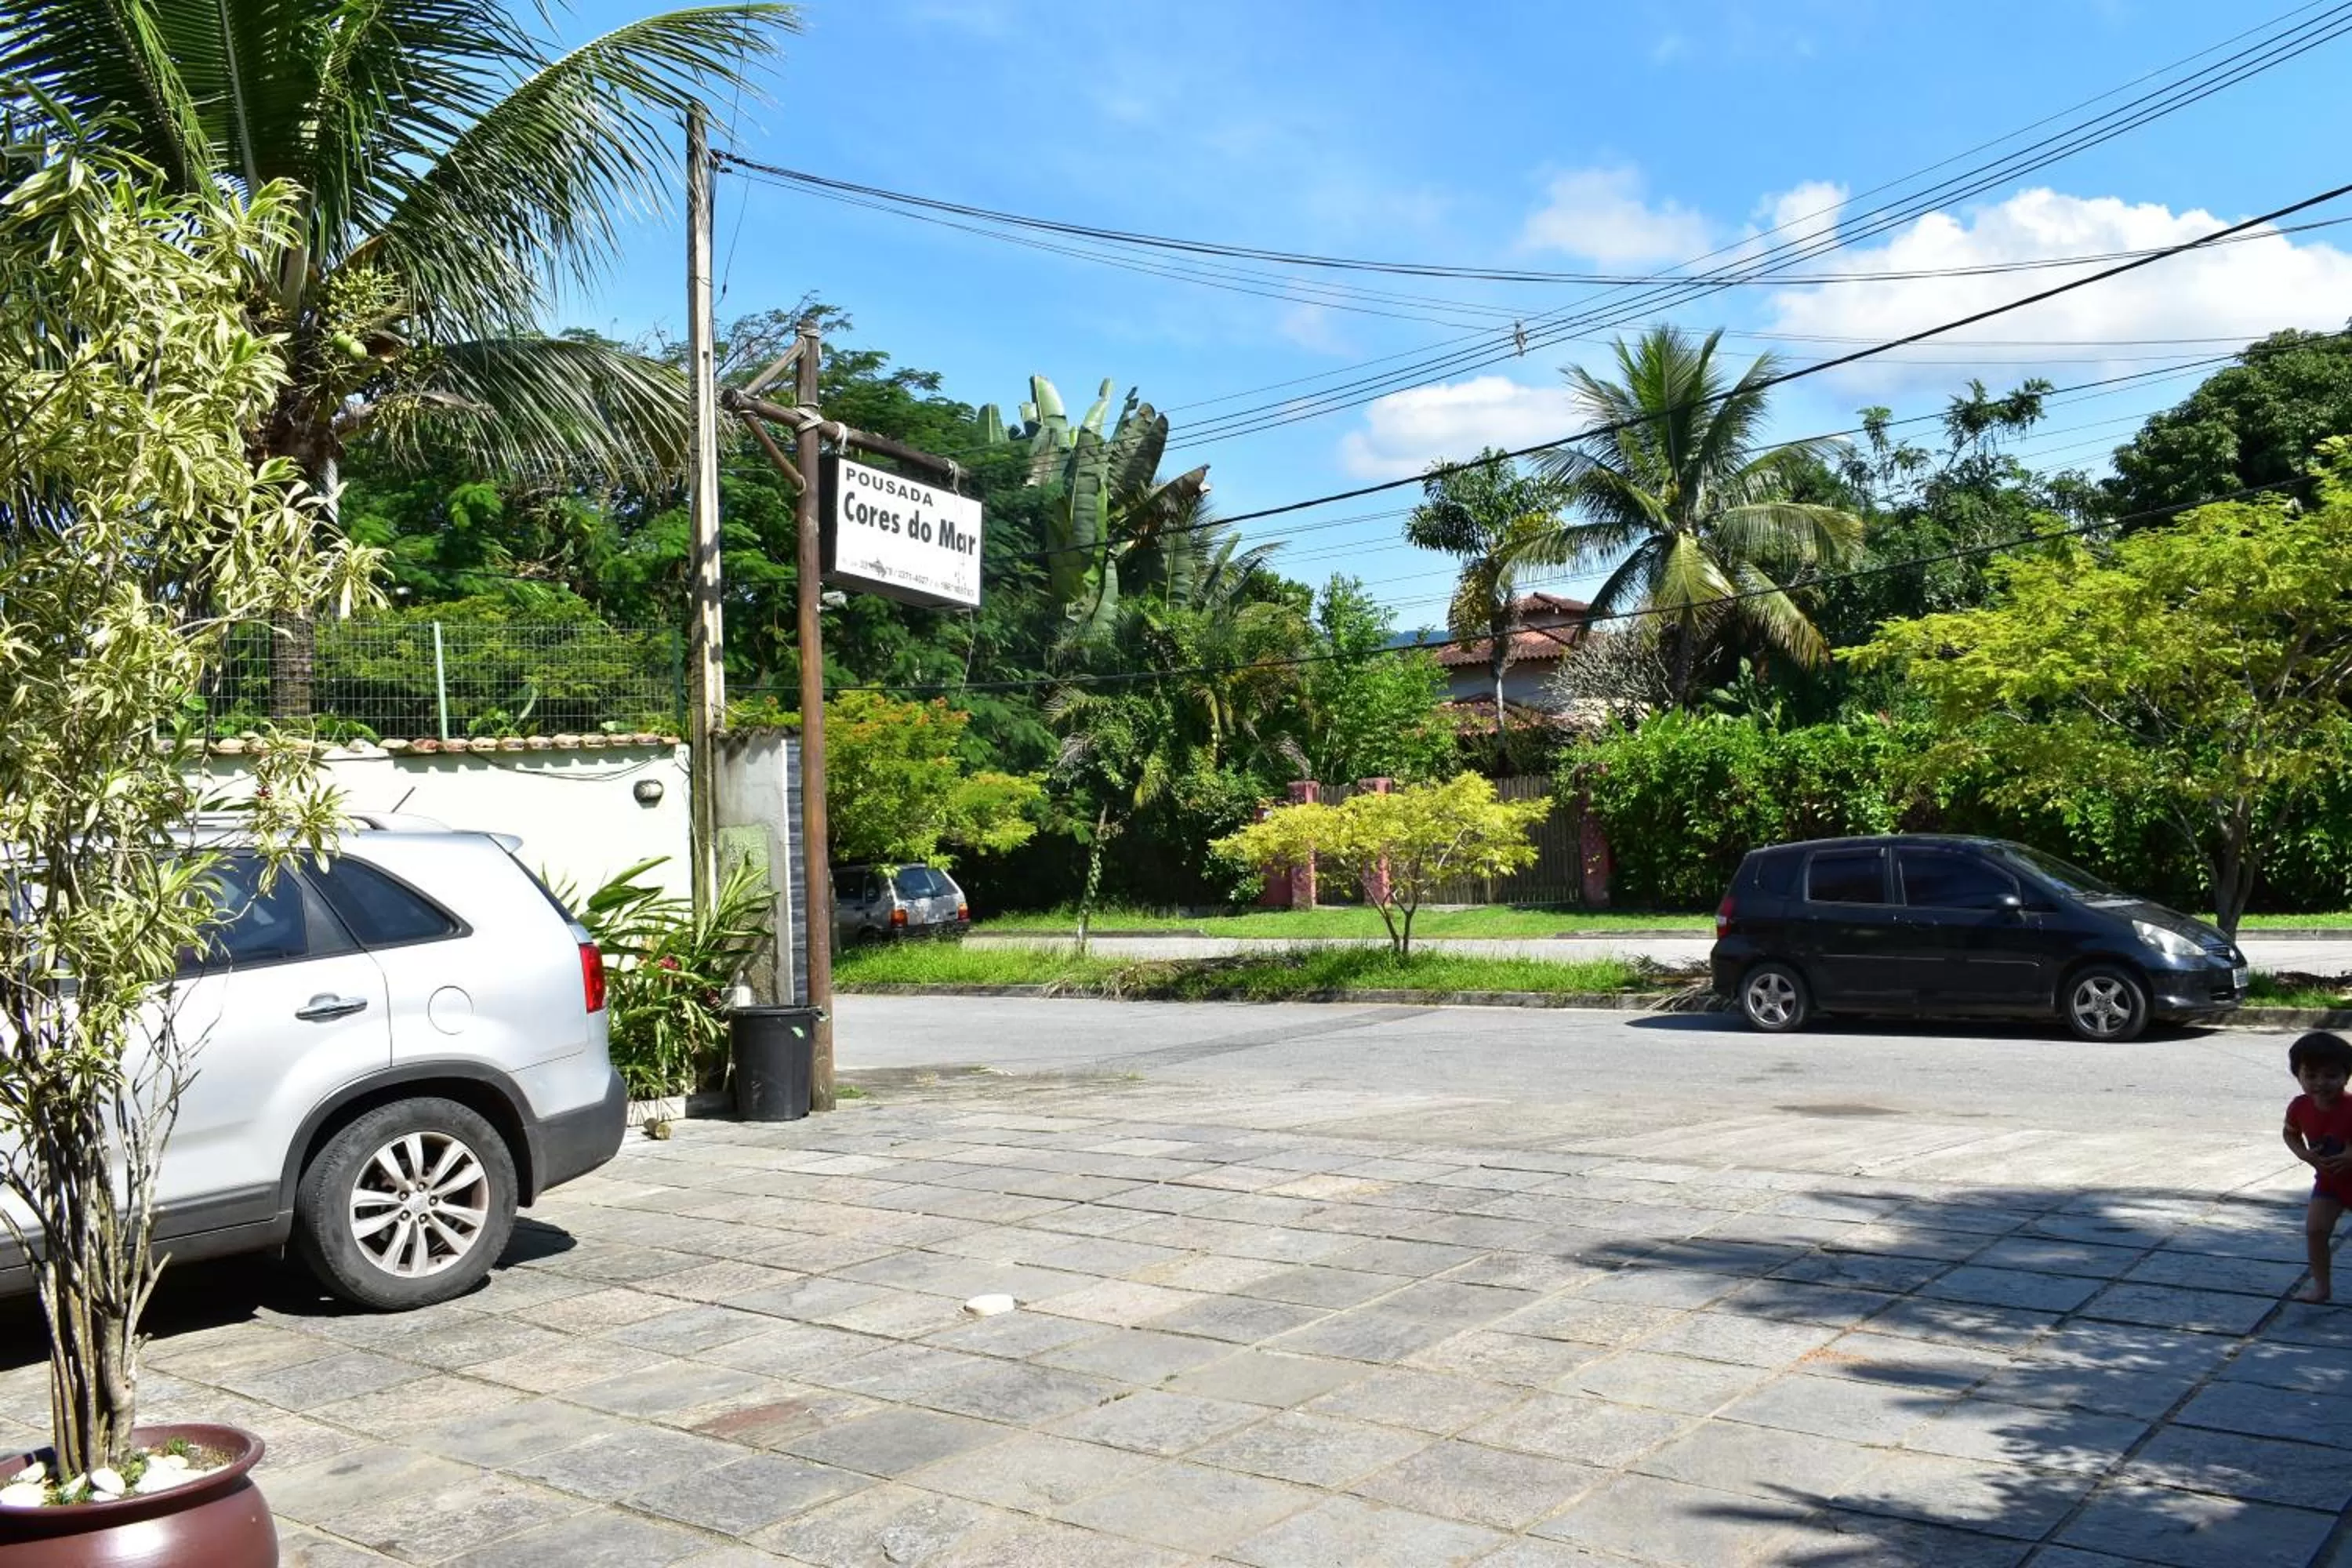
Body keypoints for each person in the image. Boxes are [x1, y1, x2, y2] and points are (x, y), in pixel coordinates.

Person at [2282, 1029, 2352, 1303]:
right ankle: (2322, 1287)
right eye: (2311, 1076)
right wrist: (2305, 1154)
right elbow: (2290, 1134)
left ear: (2347, 1076)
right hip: (2330, 1183)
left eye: (2331, 1075)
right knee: (2315, 1231)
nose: (2320, 1083)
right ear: (2298, 1076)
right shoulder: (2299, 1107)